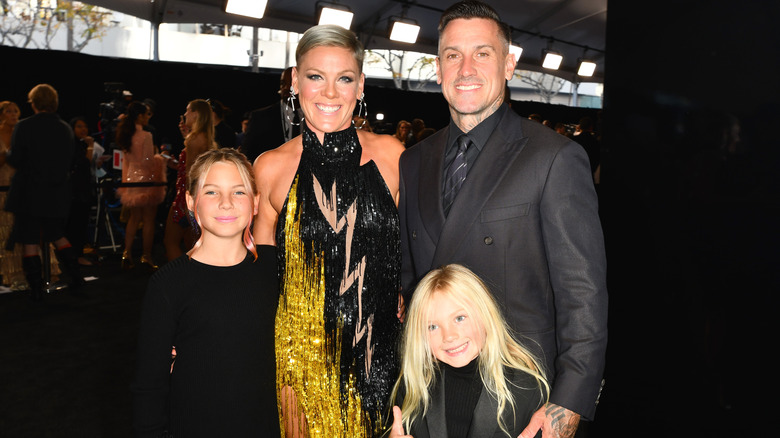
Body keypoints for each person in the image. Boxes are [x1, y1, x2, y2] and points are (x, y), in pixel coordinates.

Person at [397, 2, 608, 438]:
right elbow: (411, 278)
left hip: (521, 397)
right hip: (435, 399)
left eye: (483, 53)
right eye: (453, 55)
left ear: (509, 63)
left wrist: (568, 405)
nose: (466, 68)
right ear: (438, 68)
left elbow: (583, 293)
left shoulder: (554, 157)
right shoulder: (415, 160)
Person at [252, 24, 405, 437]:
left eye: (344, 79)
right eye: (316, 76)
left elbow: (423, 248)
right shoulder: (270, 167)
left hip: (382, 357)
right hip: (300, 361)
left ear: (361, 87)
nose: (330, 93)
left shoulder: (393, 157)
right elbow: (254, 275)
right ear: (296, 81)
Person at [132, 148, 280, 437]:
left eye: (239, 192)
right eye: (211, 192)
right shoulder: (168, 284)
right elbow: (149, 383)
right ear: (191, 202)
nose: (226, 203)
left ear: (255, 203)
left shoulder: (277, 268)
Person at [386, 264, 549, 438]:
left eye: (459, 318)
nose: (449, 336)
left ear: (485, 315)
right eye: (432, 326)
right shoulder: (414, 387)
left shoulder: (525, 387)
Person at [5, 84, 84, 300]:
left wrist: (8, 153)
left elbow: (16, 160)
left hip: (29, 193)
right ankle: (77, 278)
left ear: (34, 103)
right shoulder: (65, 128)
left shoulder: (24, 127)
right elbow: (69, 161)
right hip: (57, 192)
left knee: (30, 239)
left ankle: (37, 289)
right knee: (57, 235)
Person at [163, 99, 215, 261]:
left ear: (196, 114)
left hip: (187, 196)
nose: (185, 114)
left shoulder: (195, 139)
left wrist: (187, 203)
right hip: (197, 196)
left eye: (188, 110)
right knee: (191, 244)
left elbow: (190, 174)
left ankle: (181, 281)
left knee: (170, 242)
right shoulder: (205, 138)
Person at [115, 101, 166, 270]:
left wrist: (126, 180)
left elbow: (126, 162)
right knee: (149, 219)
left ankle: (126, 253)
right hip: (147, 180)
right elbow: (148, 162)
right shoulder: (146, 136)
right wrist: (160, 158)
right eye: (146, 114)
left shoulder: (125, 134)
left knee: (133, 218)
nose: (147, 117)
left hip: (131, 181)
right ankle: (146, 256)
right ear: (139, 116)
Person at [241, 67, 298, 164]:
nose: (287, 88)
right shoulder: (260, 117)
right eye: (283, 83)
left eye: (293, 84)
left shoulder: (317, 118)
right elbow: (247, 156)